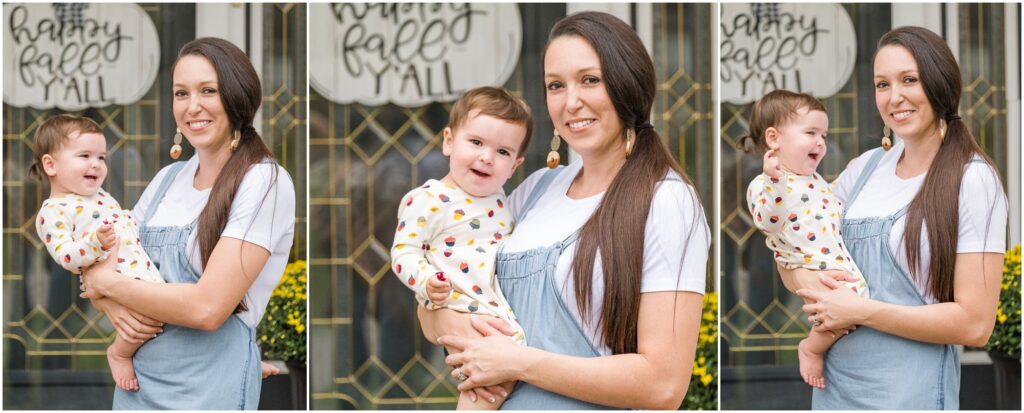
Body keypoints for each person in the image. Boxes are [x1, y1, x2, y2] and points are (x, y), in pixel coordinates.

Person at [418, 11, 710, 409]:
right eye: (556, 85)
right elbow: (436, 309)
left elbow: (663, 385)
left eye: (590, 80)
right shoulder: (535, 191)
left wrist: (516, 361)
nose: (571, 102)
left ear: (627, 83)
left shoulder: (666, 201)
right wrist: (456, 327)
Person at [789, 26, 1007, 409]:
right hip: (833, 390)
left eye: (909, 80)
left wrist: (860, 310)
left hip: (911, 396)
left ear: (940, 83)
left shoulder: (972, 180)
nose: (895, 98)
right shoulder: (864, 170)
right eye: (882, 84)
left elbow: (975, 324)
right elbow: (795, 244)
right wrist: (812, 282)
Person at [79, 37, 296, 409]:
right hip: (137, 384)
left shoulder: (263, 182)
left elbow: (207, 308)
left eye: (208, 90)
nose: (192, 107)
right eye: (181, 93)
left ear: (237, 95)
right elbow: (103, 255)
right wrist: (106, 302)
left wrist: (106, 283)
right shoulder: (167, 180)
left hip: (208, 389)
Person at [391, 86, 533, 410]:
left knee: (495, 384)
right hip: (461, 304)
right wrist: (427, 281)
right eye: (477, 142)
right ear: (449, 141)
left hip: (495, 307)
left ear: (515, 165)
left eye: (503, 152)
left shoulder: (502, 200)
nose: (487, 157)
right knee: (486, 390)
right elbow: (403, 252)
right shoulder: (428, 199)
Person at [741, 90, 869, 390]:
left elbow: (828, 209)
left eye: (823, 134)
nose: (821, 142)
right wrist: (774, 182)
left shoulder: (814, 179)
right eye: (811, 132)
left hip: (832, 260)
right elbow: (767, 221)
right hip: (810, 264)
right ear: (774, 139)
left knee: (853, 305)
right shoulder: (765, 183)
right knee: (851, 302)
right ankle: (812, 347)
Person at [31, 114, 165, 392]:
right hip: (117, 276)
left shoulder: (99, 195)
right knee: (148, 320)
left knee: (175, 308)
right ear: (50, 164)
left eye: (101, 157)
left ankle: (227, 356)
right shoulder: (52, 211)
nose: (96, 164)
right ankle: (120, 352)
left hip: (138, 267)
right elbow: (65, 256)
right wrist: (95, 244)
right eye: (84, 156)